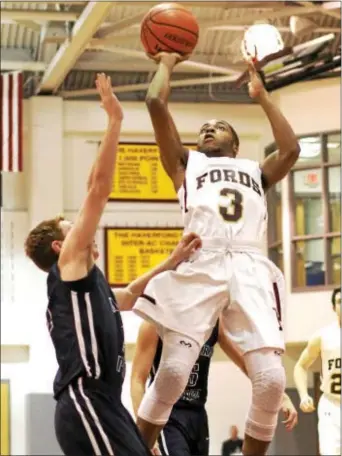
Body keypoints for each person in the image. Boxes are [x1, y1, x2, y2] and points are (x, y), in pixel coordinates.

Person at [24, 73, 202, 456]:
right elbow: (98, 188)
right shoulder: (68, 264)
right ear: (60, 244)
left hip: (106, 401)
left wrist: (171, 261)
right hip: (86, 396)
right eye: (69, 225)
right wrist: (115, 120)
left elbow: (131, 294)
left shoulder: (89, 287)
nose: (78, 223)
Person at [133, 52, 300, 456]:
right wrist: (168, 62)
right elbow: (155, 101)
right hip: (201, 260)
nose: (208, 129)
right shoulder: (185, 164)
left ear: (236, 142)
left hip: (247, 262)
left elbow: (292, 149)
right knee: (172, 372)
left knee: (273, 380)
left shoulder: (256, 172)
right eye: (204, 128)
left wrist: (261, 96)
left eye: (218, 126)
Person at [131, 319, 298, 456]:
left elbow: (246, 362)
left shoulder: (213, 322)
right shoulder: (156, 321)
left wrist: (279, 395)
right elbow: (137, 380)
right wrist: (146, 434)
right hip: (167, 416)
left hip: (198, 416)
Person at [294, 287, 341, 456]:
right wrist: (303, 395)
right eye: (339, 302)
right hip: (331, 405)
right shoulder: (323, 336)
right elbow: (300, 366)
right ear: (333, 307)